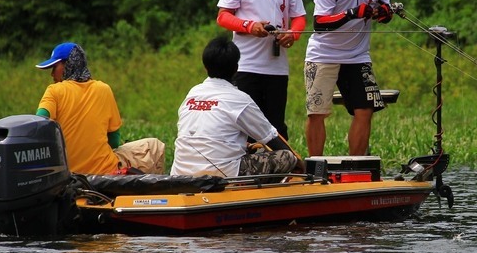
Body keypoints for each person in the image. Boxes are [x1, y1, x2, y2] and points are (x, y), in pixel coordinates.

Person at [304, 0, 395, 157]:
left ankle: (357, 165)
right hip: (323, 55)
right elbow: (319, 23)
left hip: (357, 56)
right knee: (317, 112)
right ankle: (316, 167)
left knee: (365, 109)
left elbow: (386, 9)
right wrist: (352, 13)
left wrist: (383, 13)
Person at [215, 0, 307, 140]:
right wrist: (250, 26)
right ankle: (245, 168)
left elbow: (300, 18)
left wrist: (292, 34)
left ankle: (278, 167)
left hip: (277, 68)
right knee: (245, 125)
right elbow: (223, 17)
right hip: (245, 66)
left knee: (275, 125)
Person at [170, 36, 305, 177]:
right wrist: (298, 161)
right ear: (236, 68)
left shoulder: (192, 94)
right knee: (286, 157)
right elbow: (270, 137)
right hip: (223, 173)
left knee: (251, 148)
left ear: (205, 67)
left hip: (181, 173)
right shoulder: (240, 99)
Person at [35, 42, 166, 175]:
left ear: (68, 64)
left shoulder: (54, 91)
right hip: (105, 172)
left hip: (69, 174)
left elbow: (38, 125)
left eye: (54, 67)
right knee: (154, 146)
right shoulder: (104, 89)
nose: (52, 74)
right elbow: (114, 141)